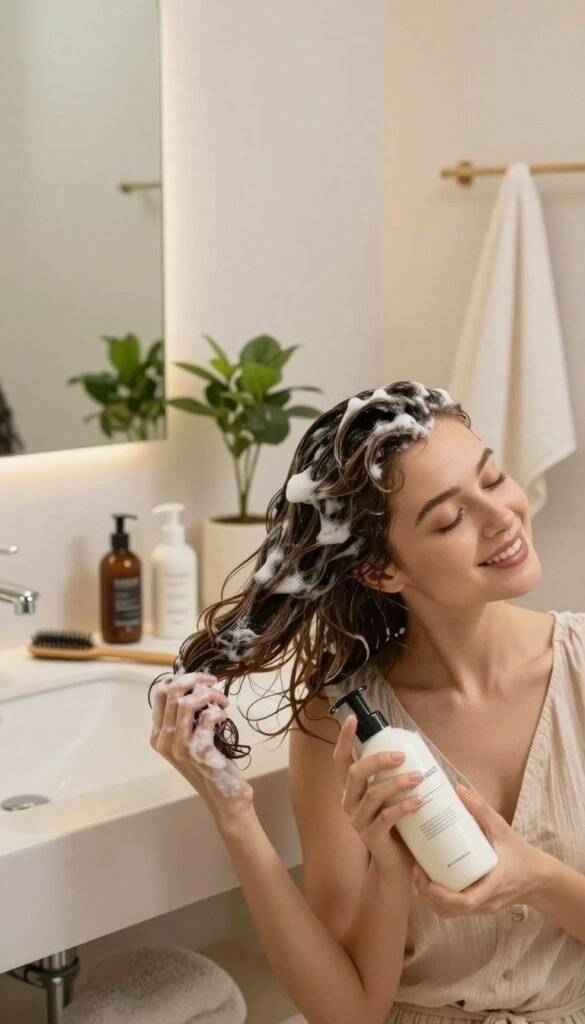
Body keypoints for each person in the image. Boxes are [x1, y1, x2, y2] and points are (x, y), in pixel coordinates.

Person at [148, 381, 585, 1024]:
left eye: (492, 480)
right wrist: (236, 814)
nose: (501, 518)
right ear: (382, 571)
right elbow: (349, 1013)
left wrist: (539, 880)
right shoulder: (342, 724)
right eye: (450, 518)